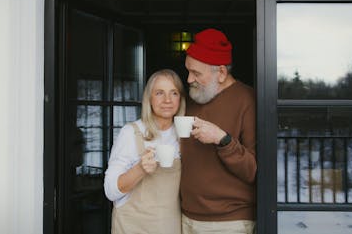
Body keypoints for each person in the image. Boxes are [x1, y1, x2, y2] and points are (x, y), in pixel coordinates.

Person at [180, 28, 257, 233]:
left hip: (229, 223)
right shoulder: (192, 98)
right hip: (185, 217)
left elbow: (254, 171)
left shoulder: (248, 100)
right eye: (188, 71)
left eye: (196, 73)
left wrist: (223, 139)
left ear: (221, 73)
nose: (188, 79)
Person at [104, 69, 186, 234]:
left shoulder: (184, 135)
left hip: (170, 227)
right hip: (133, 227)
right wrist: (140, 169)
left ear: (181, 99)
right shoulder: (131, 132)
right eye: (159, 93)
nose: (167, 100)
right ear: (149, 98)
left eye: (174, 93)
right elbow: (110, 191)